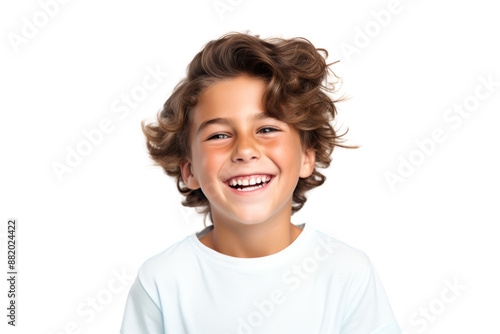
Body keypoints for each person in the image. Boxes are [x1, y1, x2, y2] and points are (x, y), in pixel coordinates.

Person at [120, 31, 402, 334]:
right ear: (189, 171)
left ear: (307, 156)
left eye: (266, 129)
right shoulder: (161, 283)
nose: (244, 151)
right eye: (218, 135)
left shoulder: (348, 274)